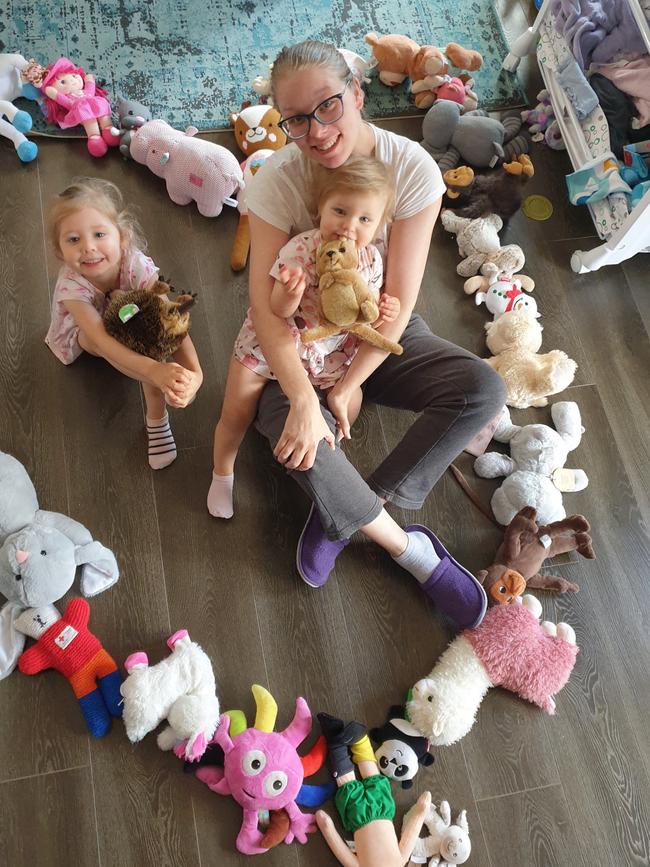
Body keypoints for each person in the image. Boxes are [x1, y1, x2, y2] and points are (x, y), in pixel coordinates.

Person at [242, 40, 507, 628]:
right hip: (301, 337)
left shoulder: (411, 168)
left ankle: (356, 507)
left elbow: (402, 298)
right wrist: (309, 398)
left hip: (377, 327)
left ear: (358, 95)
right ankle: (414, 554)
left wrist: (349, 385)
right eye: (296, 120)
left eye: (328, 107)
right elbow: (266, 311)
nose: (315, 130)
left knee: (483, 390)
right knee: (292, 432)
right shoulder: (275, 185)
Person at [208, 154, 400, 520]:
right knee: (236, 408)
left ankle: (331, 449)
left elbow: (365, 308)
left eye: (364, 219)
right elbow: (276, 311)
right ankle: (222, 471)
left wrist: (382, 310)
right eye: (340, 211)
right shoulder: (302, 249)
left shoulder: (372, 260)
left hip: (330, 350)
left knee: (352, 399)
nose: (348, 227)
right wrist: (290, 290)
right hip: (280, 340)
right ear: (320, 211)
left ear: (379, 227)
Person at [45, 178, 203, 469]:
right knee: (104, 340)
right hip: (89, 337)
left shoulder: (136, 266)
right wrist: (155, 370)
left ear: (123, 238)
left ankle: (156, 396)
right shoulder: (72, 287)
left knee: (153, 328)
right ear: (60, 252)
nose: (89, 248)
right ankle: (157, 417)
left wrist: (196, 373)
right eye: (73, 240)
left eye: (99, 234)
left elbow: (169, 318)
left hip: (130, 316)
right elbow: (103, 341)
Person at [315, 712, 431, 867]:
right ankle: (359, 739)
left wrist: (326, 826)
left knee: (349, 782)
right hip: (381, 808)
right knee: (372, 778)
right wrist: (421, 810)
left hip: (358, 815)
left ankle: (336, 740)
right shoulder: (400, 861)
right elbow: (409, 837)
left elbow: (341, 852)